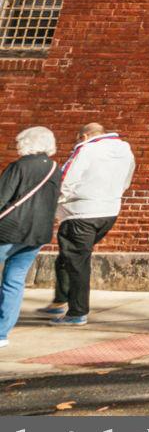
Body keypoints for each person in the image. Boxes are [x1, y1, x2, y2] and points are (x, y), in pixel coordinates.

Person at [38, 123, 135, 326]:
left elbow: (65, 179)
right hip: (108, 212)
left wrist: (54, 203)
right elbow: (126, 181)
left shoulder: (86, 149)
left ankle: (77, 313)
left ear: (83, 136)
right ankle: (60, 300)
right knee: (68, 258)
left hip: (79, 213)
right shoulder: (126, 152)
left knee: (77, 263)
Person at [0, 127, 61, 349]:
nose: (17, 145)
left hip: (8, 230)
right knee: (14, 282)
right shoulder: (55, 168)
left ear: (28, 142)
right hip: (36, 233)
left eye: (19, 141)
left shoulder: (19, 166)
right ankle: (2, 333)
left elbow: (2, 197)